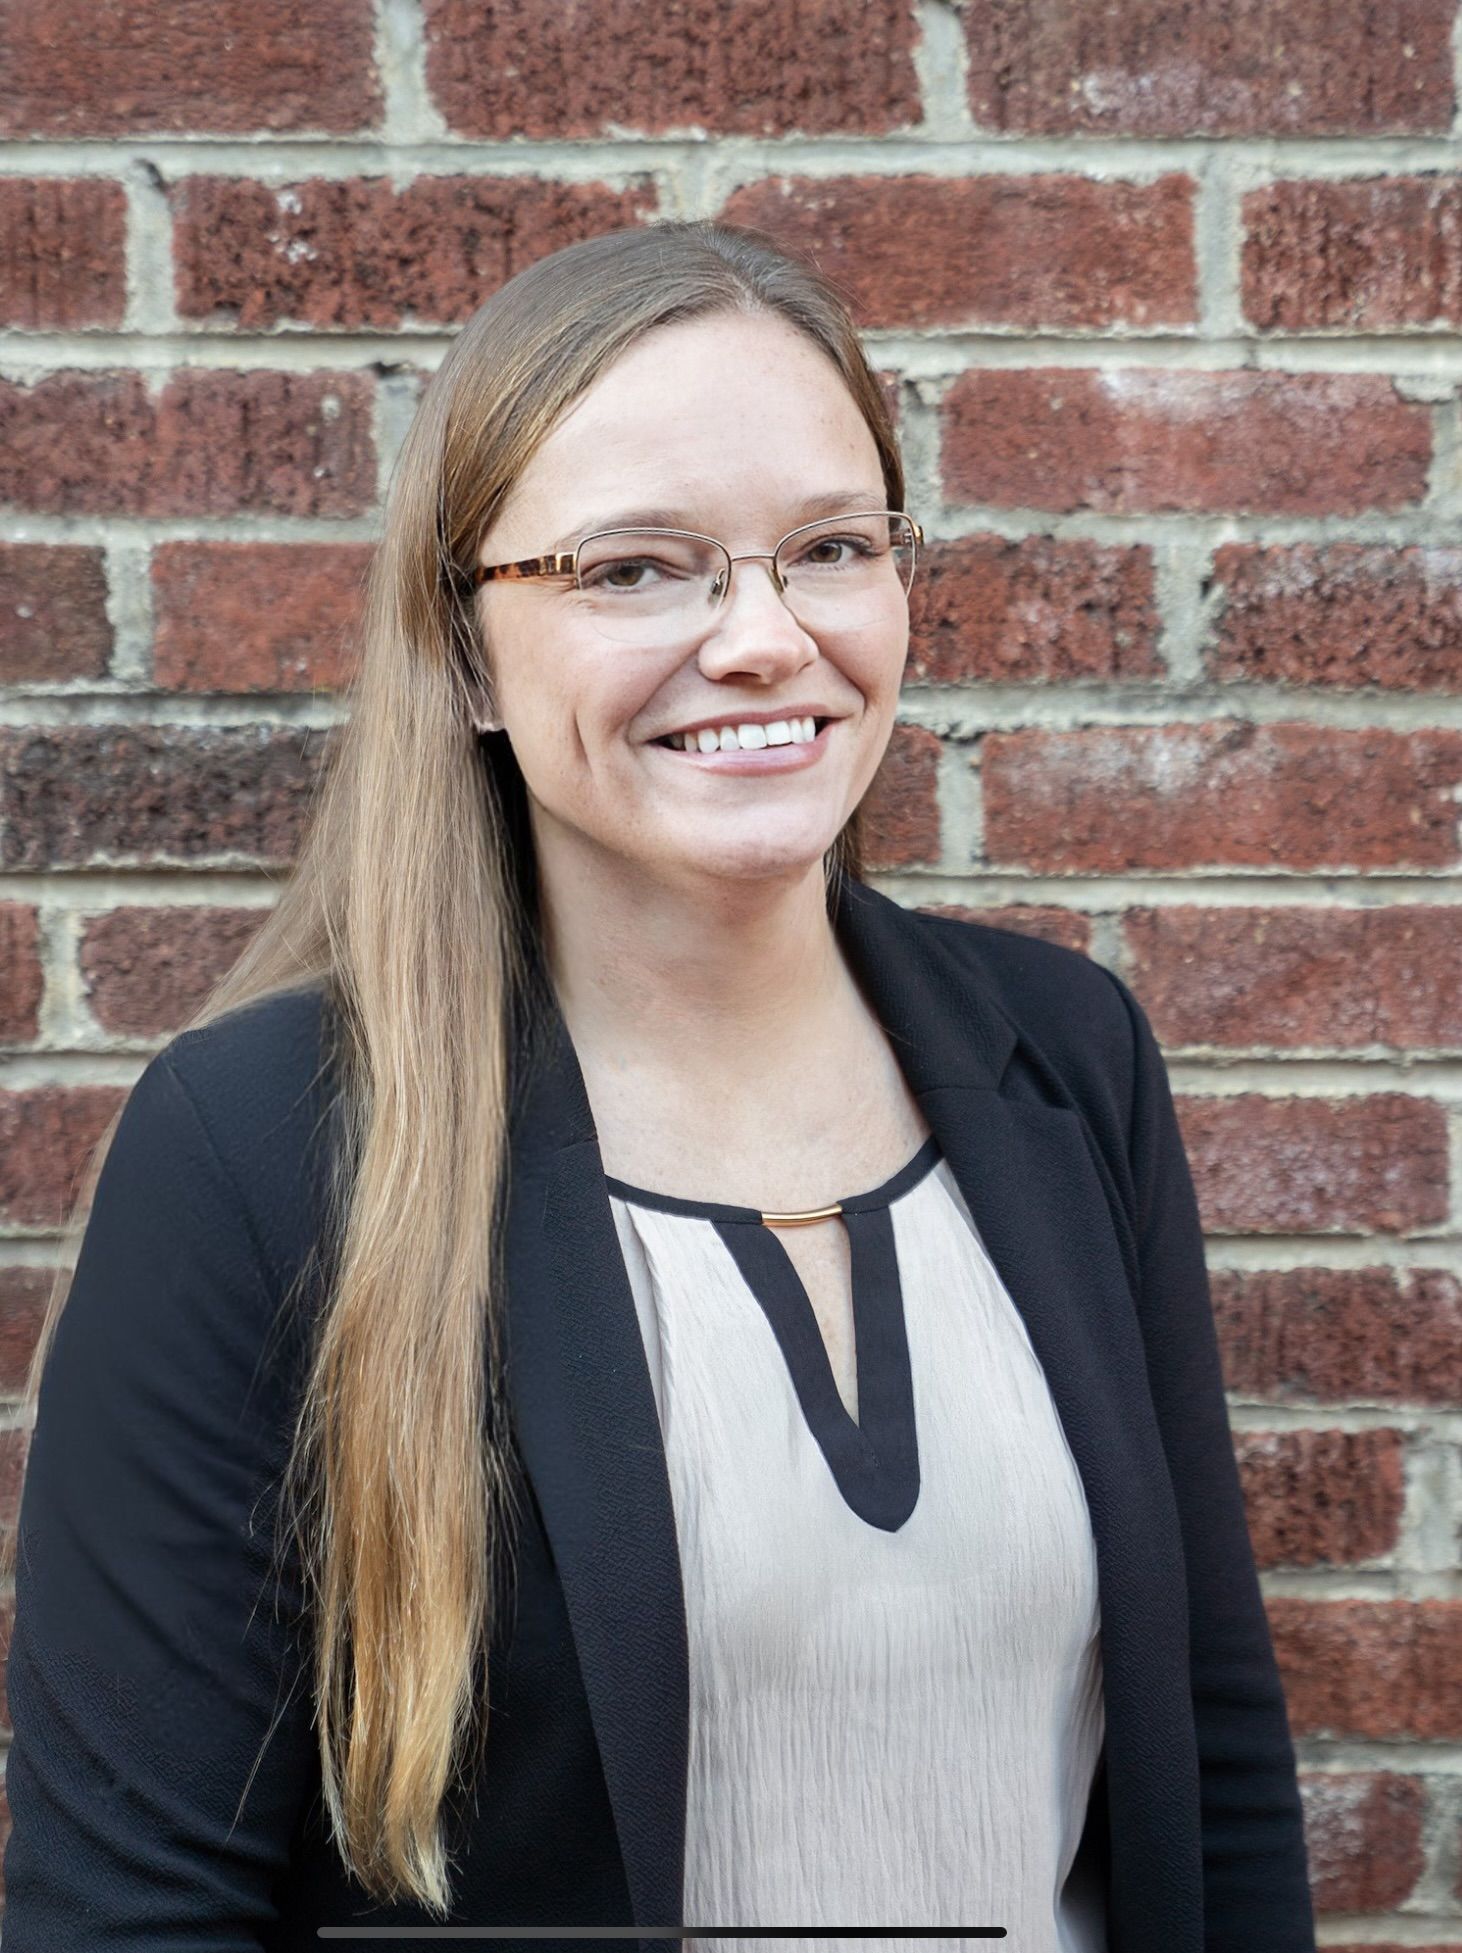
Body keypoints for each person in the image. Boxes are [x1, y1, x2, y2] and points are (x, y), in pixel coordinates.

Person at [0, 221, 1317, 1953]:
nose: (764, 638)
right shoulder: (261, 1149)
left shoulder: (1063, 1062)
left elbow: (1213, 1767)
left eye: (828, 548)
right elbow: (127, 1907)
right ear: (466, 654)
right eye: (637, 569)